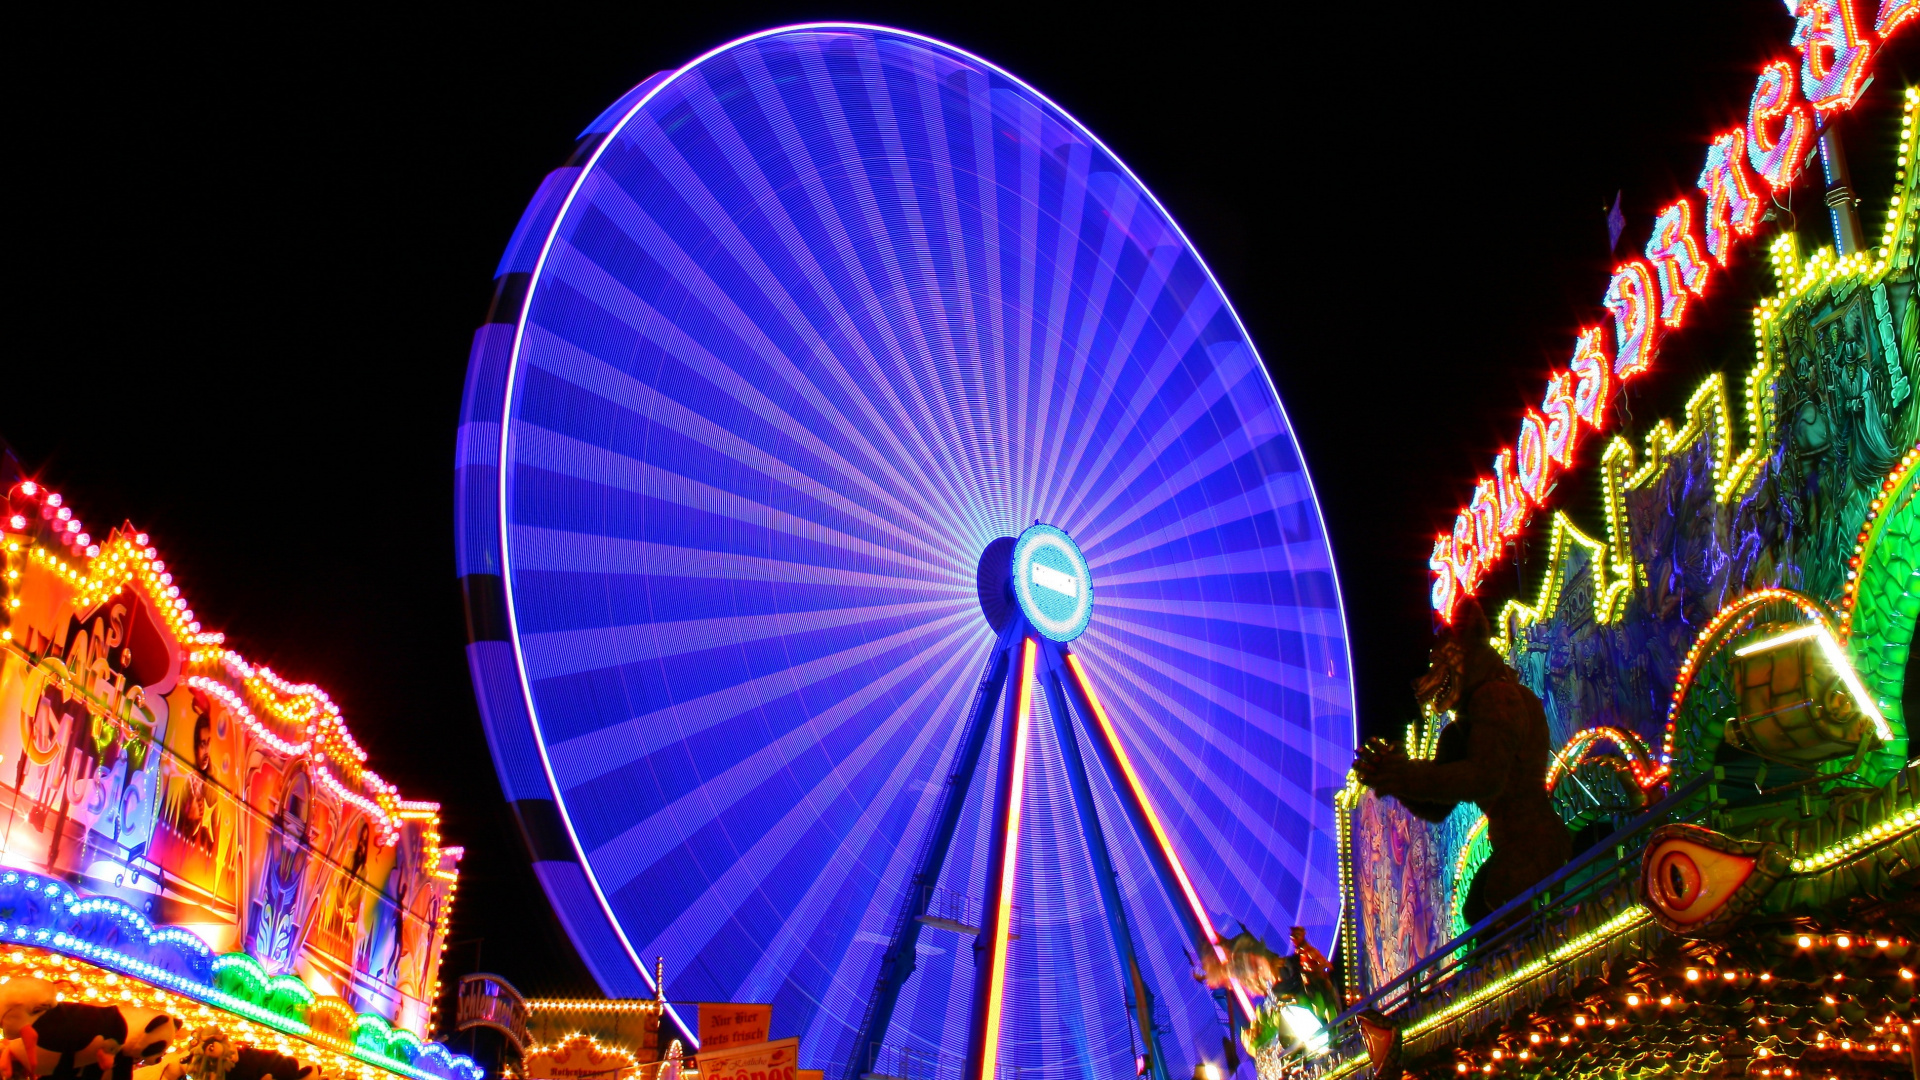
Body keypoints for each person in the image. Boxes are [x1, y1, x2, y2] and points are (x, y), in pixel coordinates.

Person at [1354, 600, 1570, 928]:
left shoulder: (1498, 697)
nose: (1426, 679)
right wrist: (1393, 778)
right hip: (1511, 844)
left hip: (1535, 841)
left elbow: (1484, 776)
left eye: (1439, 663)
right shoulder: (1461, 729)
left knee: (1497, 899)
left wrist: (1403, 775)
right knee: (1477, 909)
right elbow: (1437, 807)